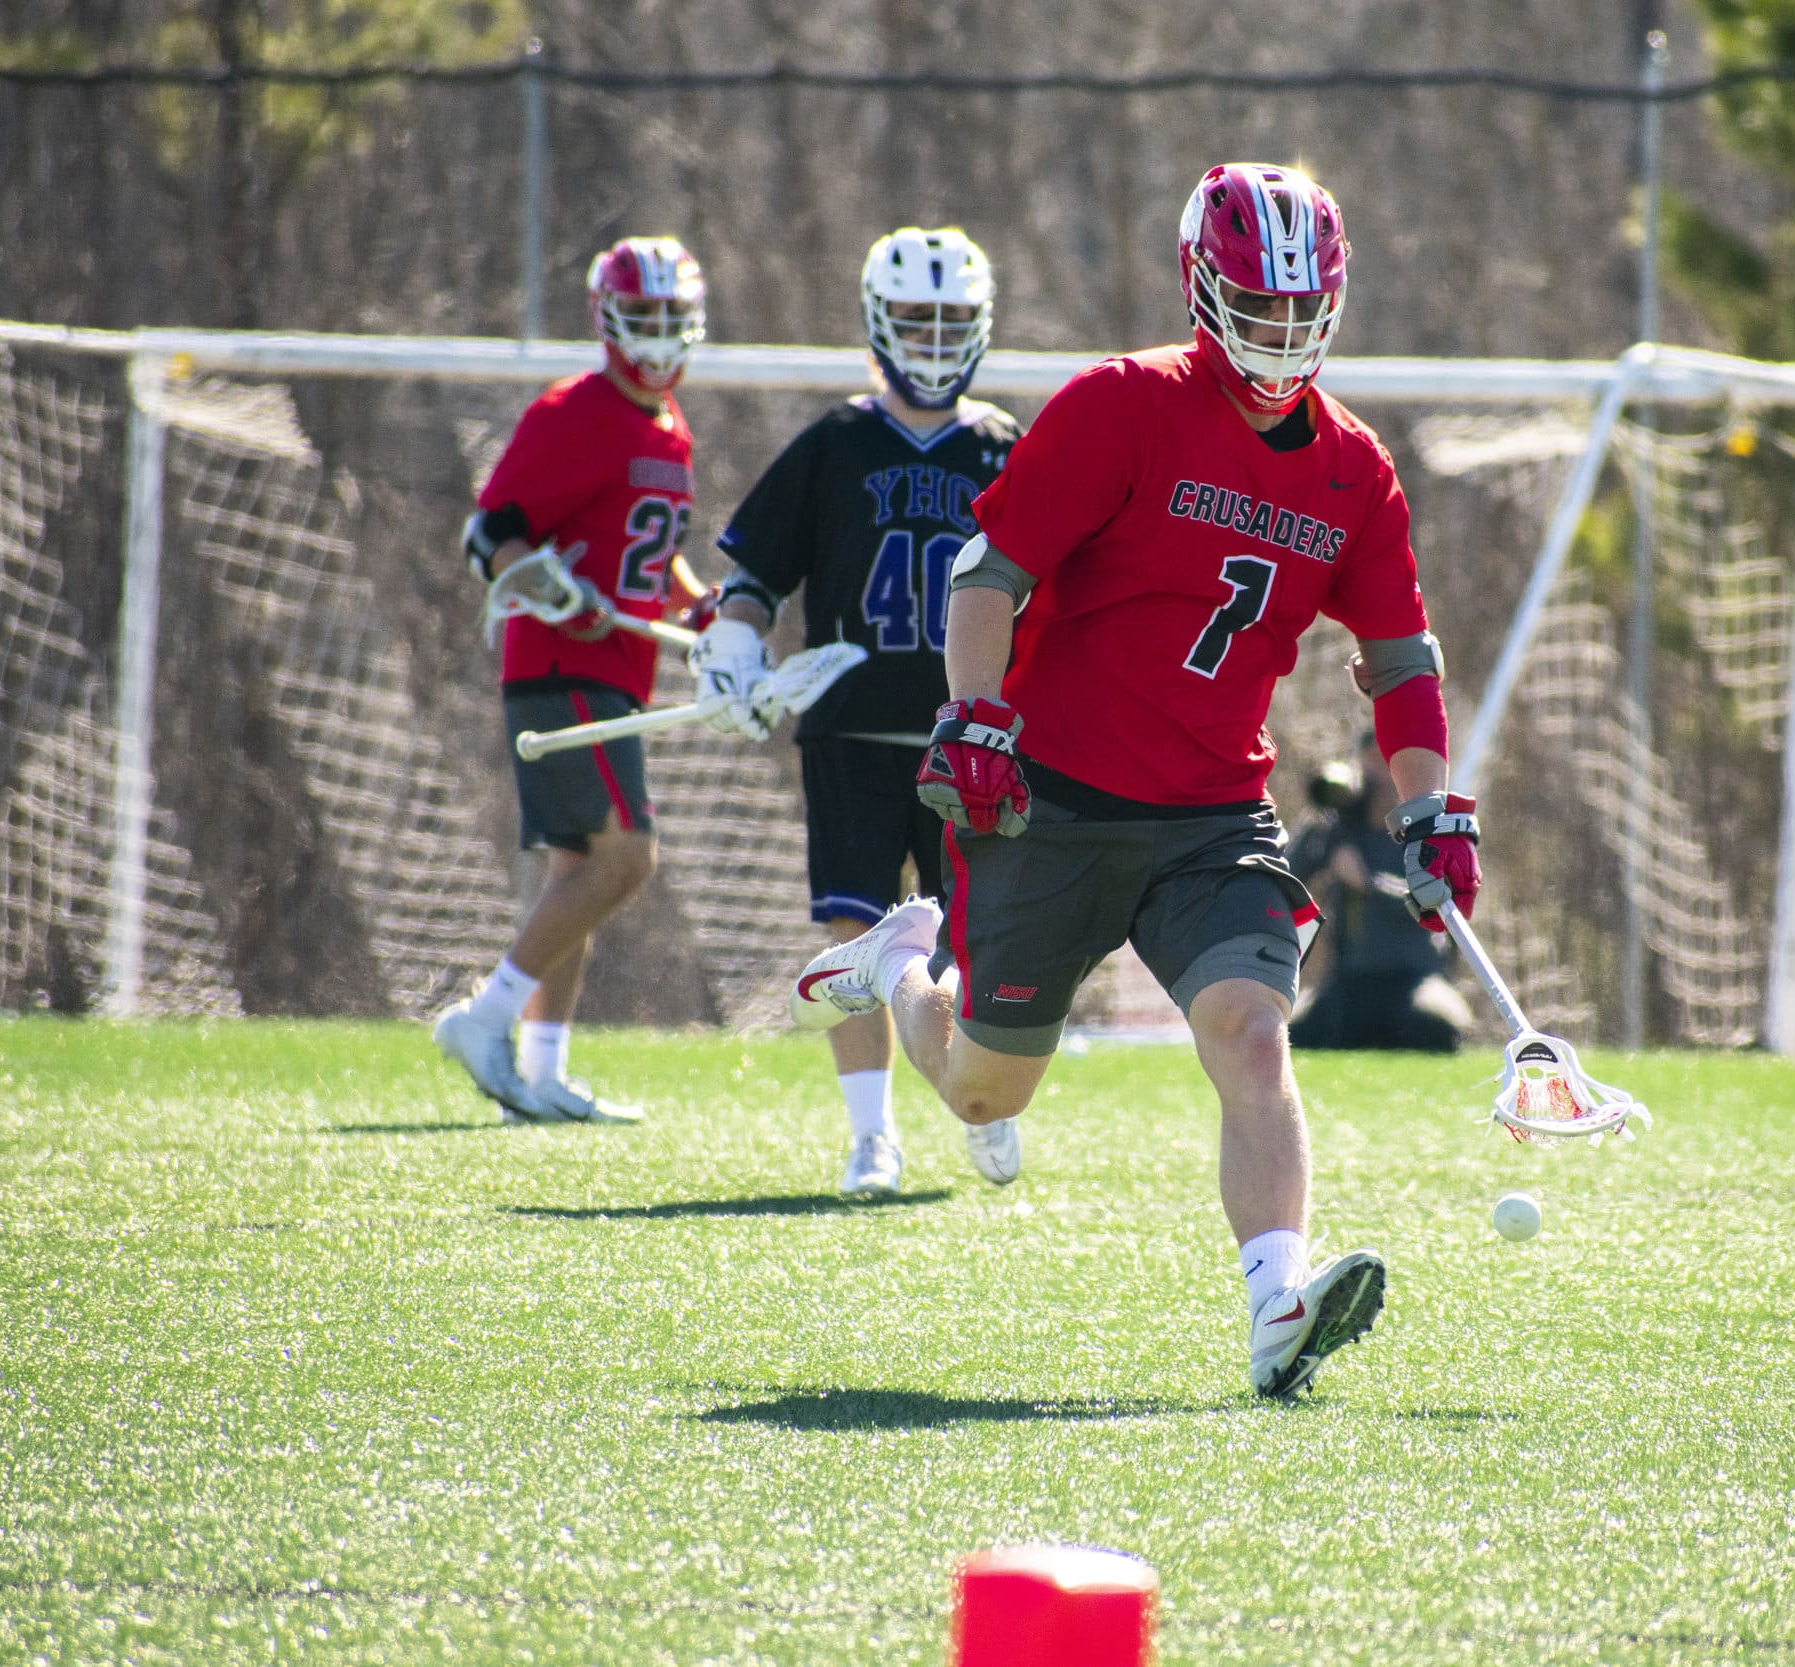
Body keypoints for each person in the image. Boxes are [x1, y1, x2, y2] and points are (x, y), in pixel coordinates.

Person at [784, 163, 1483, 1401]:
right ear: (1201, 290)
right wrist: (979, 718)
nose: (1277, 336)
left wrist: (1429, 804)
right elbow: (987, 577)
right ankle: (901, 965)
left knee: (1250, 1031)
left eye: (1298, 307)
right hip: (1050, 795)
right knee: (983, 1087)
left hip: (1213, 810)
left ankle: (1278, 1299)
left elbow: (1398, 660)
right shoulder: (1122, 403)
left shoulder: (1354, 471)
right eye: (1254, 307)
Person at [691, 226, 1021, 1199]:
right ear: (879, 322)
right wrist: (736, 639)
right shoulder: (835, 442)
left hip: (971, 737)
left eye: (950, 319)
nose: (931, 336)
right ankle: (871, 1135)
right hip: (847, 729)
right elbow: (753, 574)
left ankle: (985, 1093)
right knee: (852, 934)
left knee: (982, 939)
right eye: (914, 318)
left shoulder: (1006, 448)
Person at [431, 235, 711, 1124]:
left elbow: (651, 554)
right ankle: (485, 1019)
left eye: (674, 315)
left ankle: (542, 1075)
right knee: (626, 857)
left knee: (578, 869)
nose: (661, 332)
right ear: (609, 318)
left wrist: (704, 610)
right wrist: (549, 587)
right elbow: (493, 532)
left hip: (622, 671)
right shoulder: (575, 411)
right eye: (647, 315)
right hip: (561, 667)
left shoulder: (670, 426)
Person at [1287, 736, 1471, 1053]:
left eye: (1384, 763)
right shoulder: (1339, 827)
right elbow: (1289, 874)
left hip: (1413, 978)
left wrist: (1369, 884)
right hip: (1350, 980)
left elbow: (1435, 904)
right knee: (1297, 1034)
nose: (1376, 775)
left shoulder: (1425, 829)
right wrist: (1318, 824)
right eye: (1369, 762)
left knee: (1436, 1025)